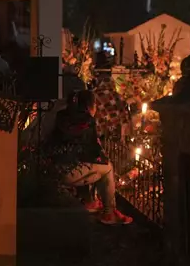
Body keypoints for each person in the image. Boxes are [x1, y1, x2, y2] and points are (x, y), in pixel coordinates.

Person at [51, 90, 133, 225]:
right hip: (67, 171)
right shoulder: (87, 121)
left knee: (89, 165)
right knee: (106, 168)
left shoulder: (61, 115)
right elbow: (94, 152)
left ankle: (89, 201)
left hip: (54, 167)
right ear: (90, 105)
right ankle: (109, 213)